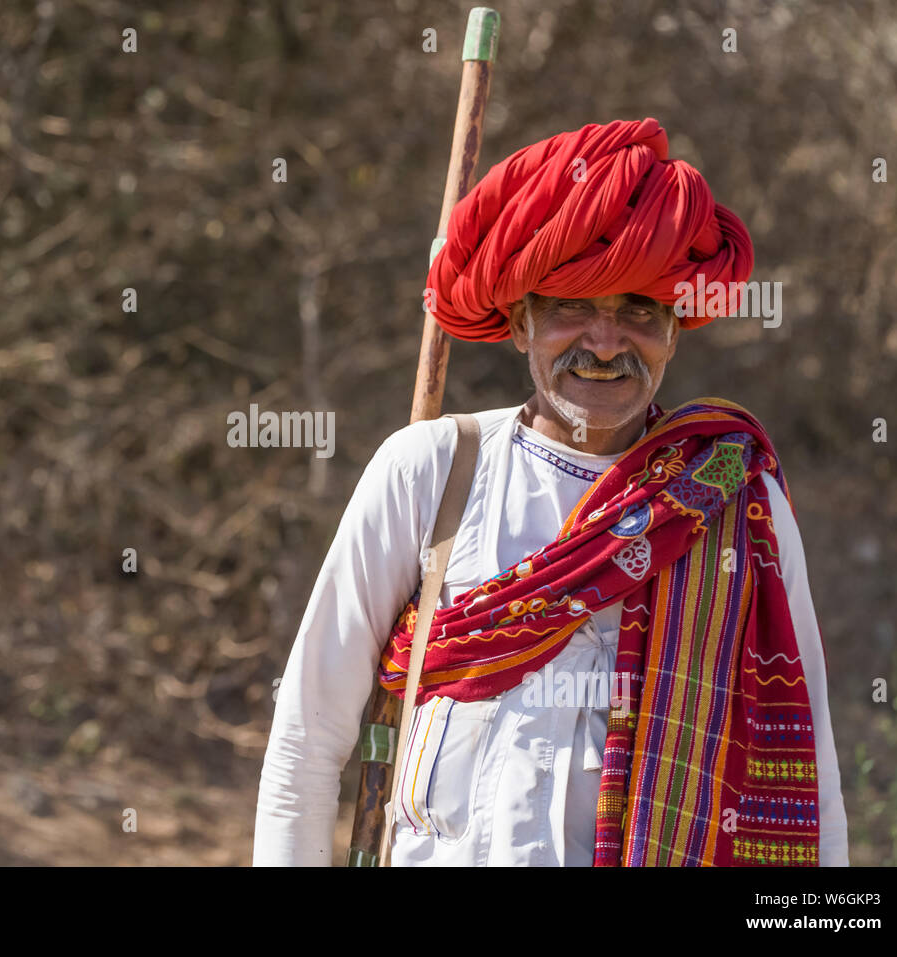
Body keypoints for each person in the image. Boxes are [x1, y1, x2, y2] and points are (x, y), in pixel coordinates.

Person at [252, 118, 847, 866]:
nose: (606, 341)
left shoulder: (730, 498)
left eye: (639, 310)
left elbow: (806, 764)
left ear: (675, 328)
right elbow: (306, 744)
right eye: (572, 306)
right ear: (518, 323)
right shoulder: (430, 472)